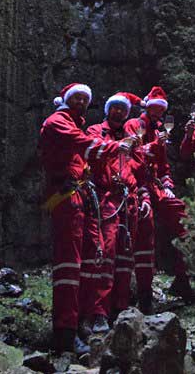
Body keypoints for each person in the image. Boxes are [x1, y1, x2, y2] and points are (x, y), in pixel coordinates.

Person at [39, 82, 127, 353]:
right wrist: (118, 146)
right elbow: (85, 145)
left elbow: (85, 155)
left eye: (84, 99)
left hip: (81, 195)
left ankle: (82, 320)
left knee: (91, 255)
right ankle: (65, 333)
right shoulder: (57, 122)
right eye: (75, 98)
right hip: (65, 196)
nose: (80, 103)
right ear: (66, 100)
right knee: (69, 263)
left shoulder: (75, 124)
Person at [124, 85, 195, 311]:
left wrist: (168, 185)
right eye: (154, 108)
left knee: (184, 220)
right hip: (136, 183)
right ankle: (143, 294)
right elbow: (132, 153)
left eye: (160, 109)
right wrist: (155, 144)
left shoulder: (159, 129)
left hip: (155, 185)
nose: (157, 113)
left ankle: (182, 280)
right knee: (144, 229)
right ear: (148, 107)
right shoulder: (134, 124)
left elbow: (163, 164)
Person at [85, 92, 147, 330]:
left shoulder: (132, 138)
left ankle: (120, 307)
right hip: (107, 197)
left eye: (123, 109)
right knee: (106, 252)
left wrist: (144, 197)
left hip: (128, 199)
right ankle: (99, 311)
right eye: (115, 108)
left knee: (125, 255)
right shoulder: (96, 131)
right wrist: (119, 147)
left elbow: (141, 172)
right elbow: (91, 152)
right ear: (108, 110)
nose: (119, 112)